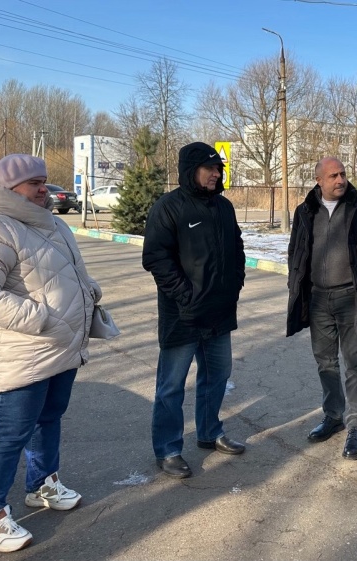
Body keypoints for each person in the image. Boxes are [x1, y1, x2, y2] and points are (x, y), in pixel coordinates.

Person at [0, 154, 101, 553]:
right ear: (9, 188)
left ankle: (41, 485)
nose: (44, 189)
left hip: (60, 347)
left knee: (48, 419)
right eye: (34, 183)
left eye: (44, 181)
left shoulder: (54, 224)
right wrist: (42, 319)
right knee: (7, 435)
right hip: (20, 352)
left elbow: (71, 271)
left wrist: (90, 291)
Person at [142, 141, 246, 479]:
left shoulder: (224, 207)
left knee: (217, 376)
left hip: (218, 312)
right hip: (182, 315)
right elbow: (155, 257)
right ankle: (169, 449)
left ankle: (209, 432)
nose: (217, 173)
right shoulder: (168, 207)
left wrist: (235, 284)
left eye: (219, 168)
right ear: (191, 170)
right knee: (171, 386)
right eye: (209, 168)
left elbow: (237, 247)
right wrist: (184, 295)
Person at [287, 157, 357, 461]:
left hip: (351, 297)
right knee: (326, 363)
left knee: (355, 363)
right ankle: (333, 415)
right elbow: (296, 249)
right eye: (333, 175)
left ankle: (356, 425)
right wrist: (296, 285)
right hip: (318, 298)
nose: (341, 180)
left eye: (343, 174)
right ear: (319, 180)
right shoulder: (305, 211)